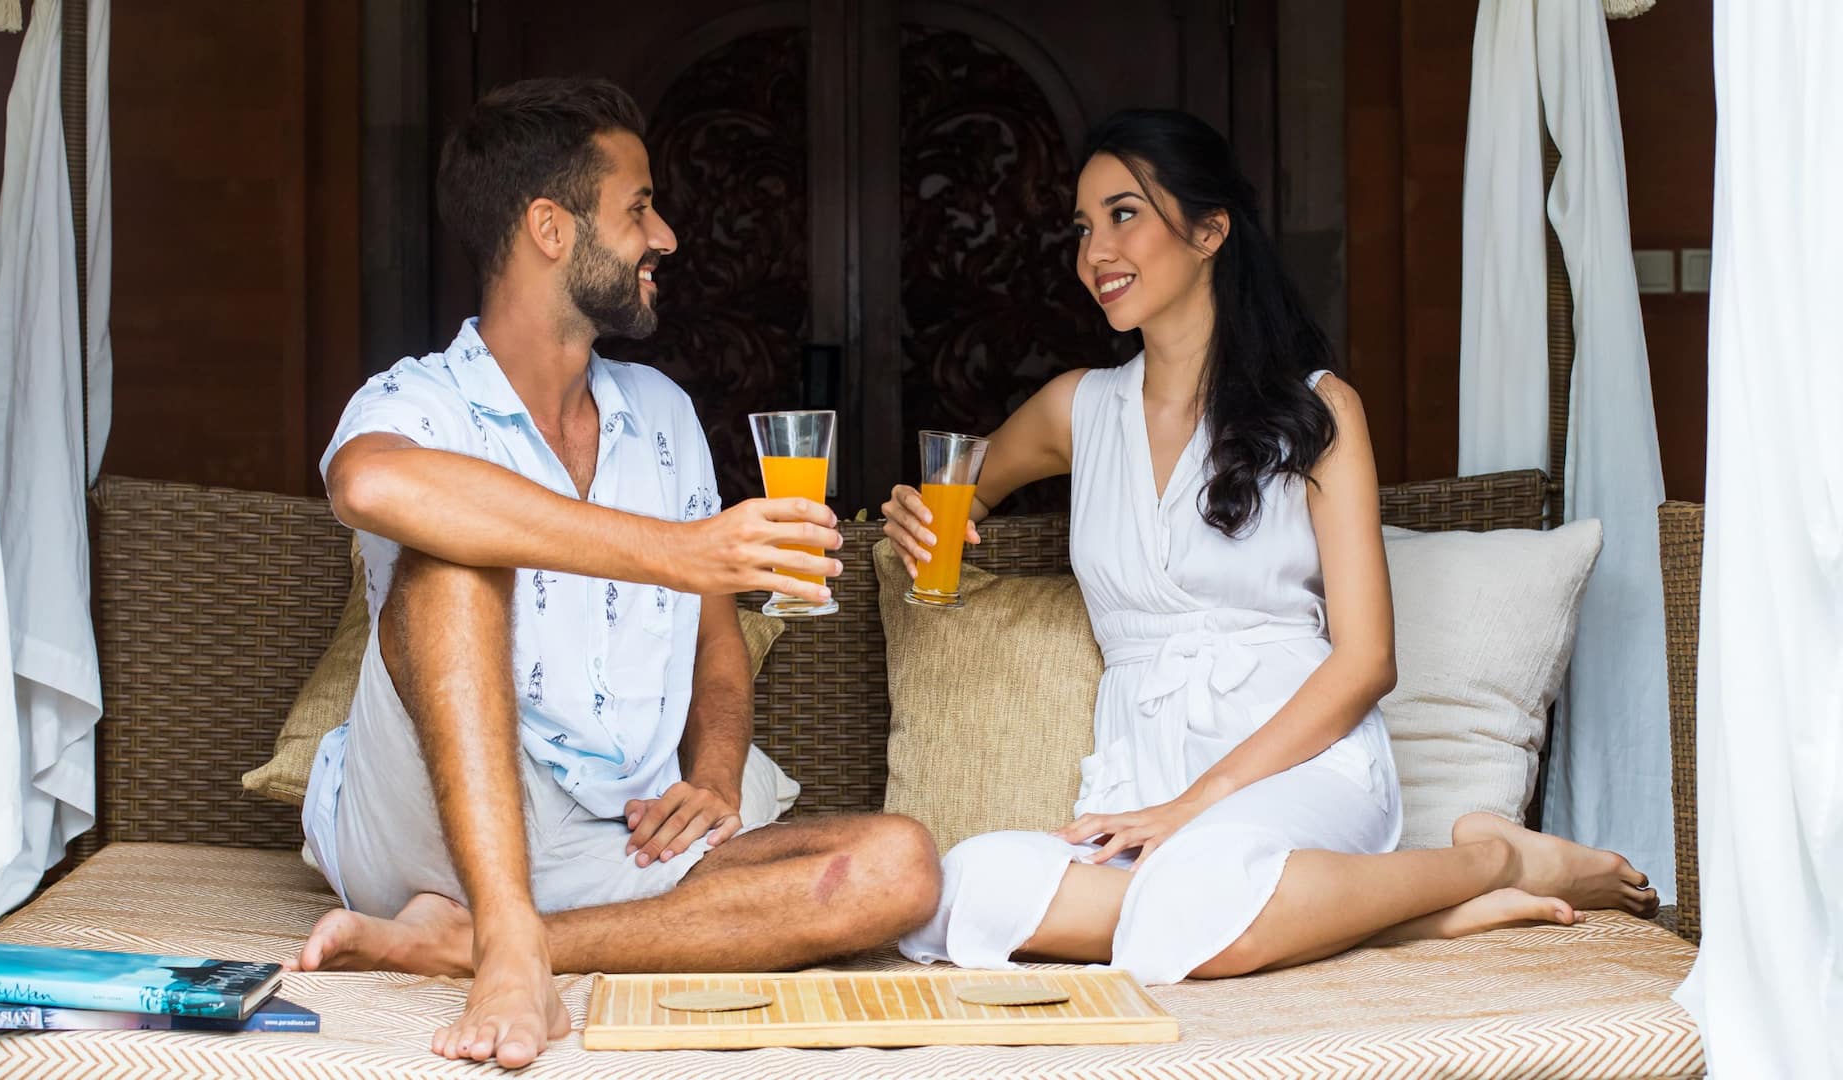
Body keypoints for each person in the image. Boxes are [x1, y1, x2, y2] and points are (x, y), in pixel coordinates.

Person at [881, 109, 1656, 986]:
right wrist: (917, 514)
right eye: (1083, 226)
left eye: (1124, 214)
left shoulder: (1320, 412)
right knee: (965, 885)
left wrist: (1196, 804)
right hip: (1141, 771)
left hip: (1301, 764)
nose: (1095, 249)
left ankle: (1498, 861)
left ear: (1211, 229)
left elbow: (1365, 661)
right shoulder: (1076, 409)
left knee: (1191, 886)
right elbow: (958, 495)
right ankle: (1407, 912)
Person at [295, 77, 939, 1069]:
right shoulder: (420, 399)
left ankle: (475, 943)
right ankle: (505, 935)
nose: (666, 237)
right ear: (550, 228)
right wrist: (675, 551)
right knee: (456, 559)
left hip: (609, 841)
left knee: (897, 868)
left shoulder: (663, 415)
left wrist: (716, 777)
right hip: (426, 812)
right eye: (638, 208)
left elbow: (720, 656)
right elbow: (371, 485)